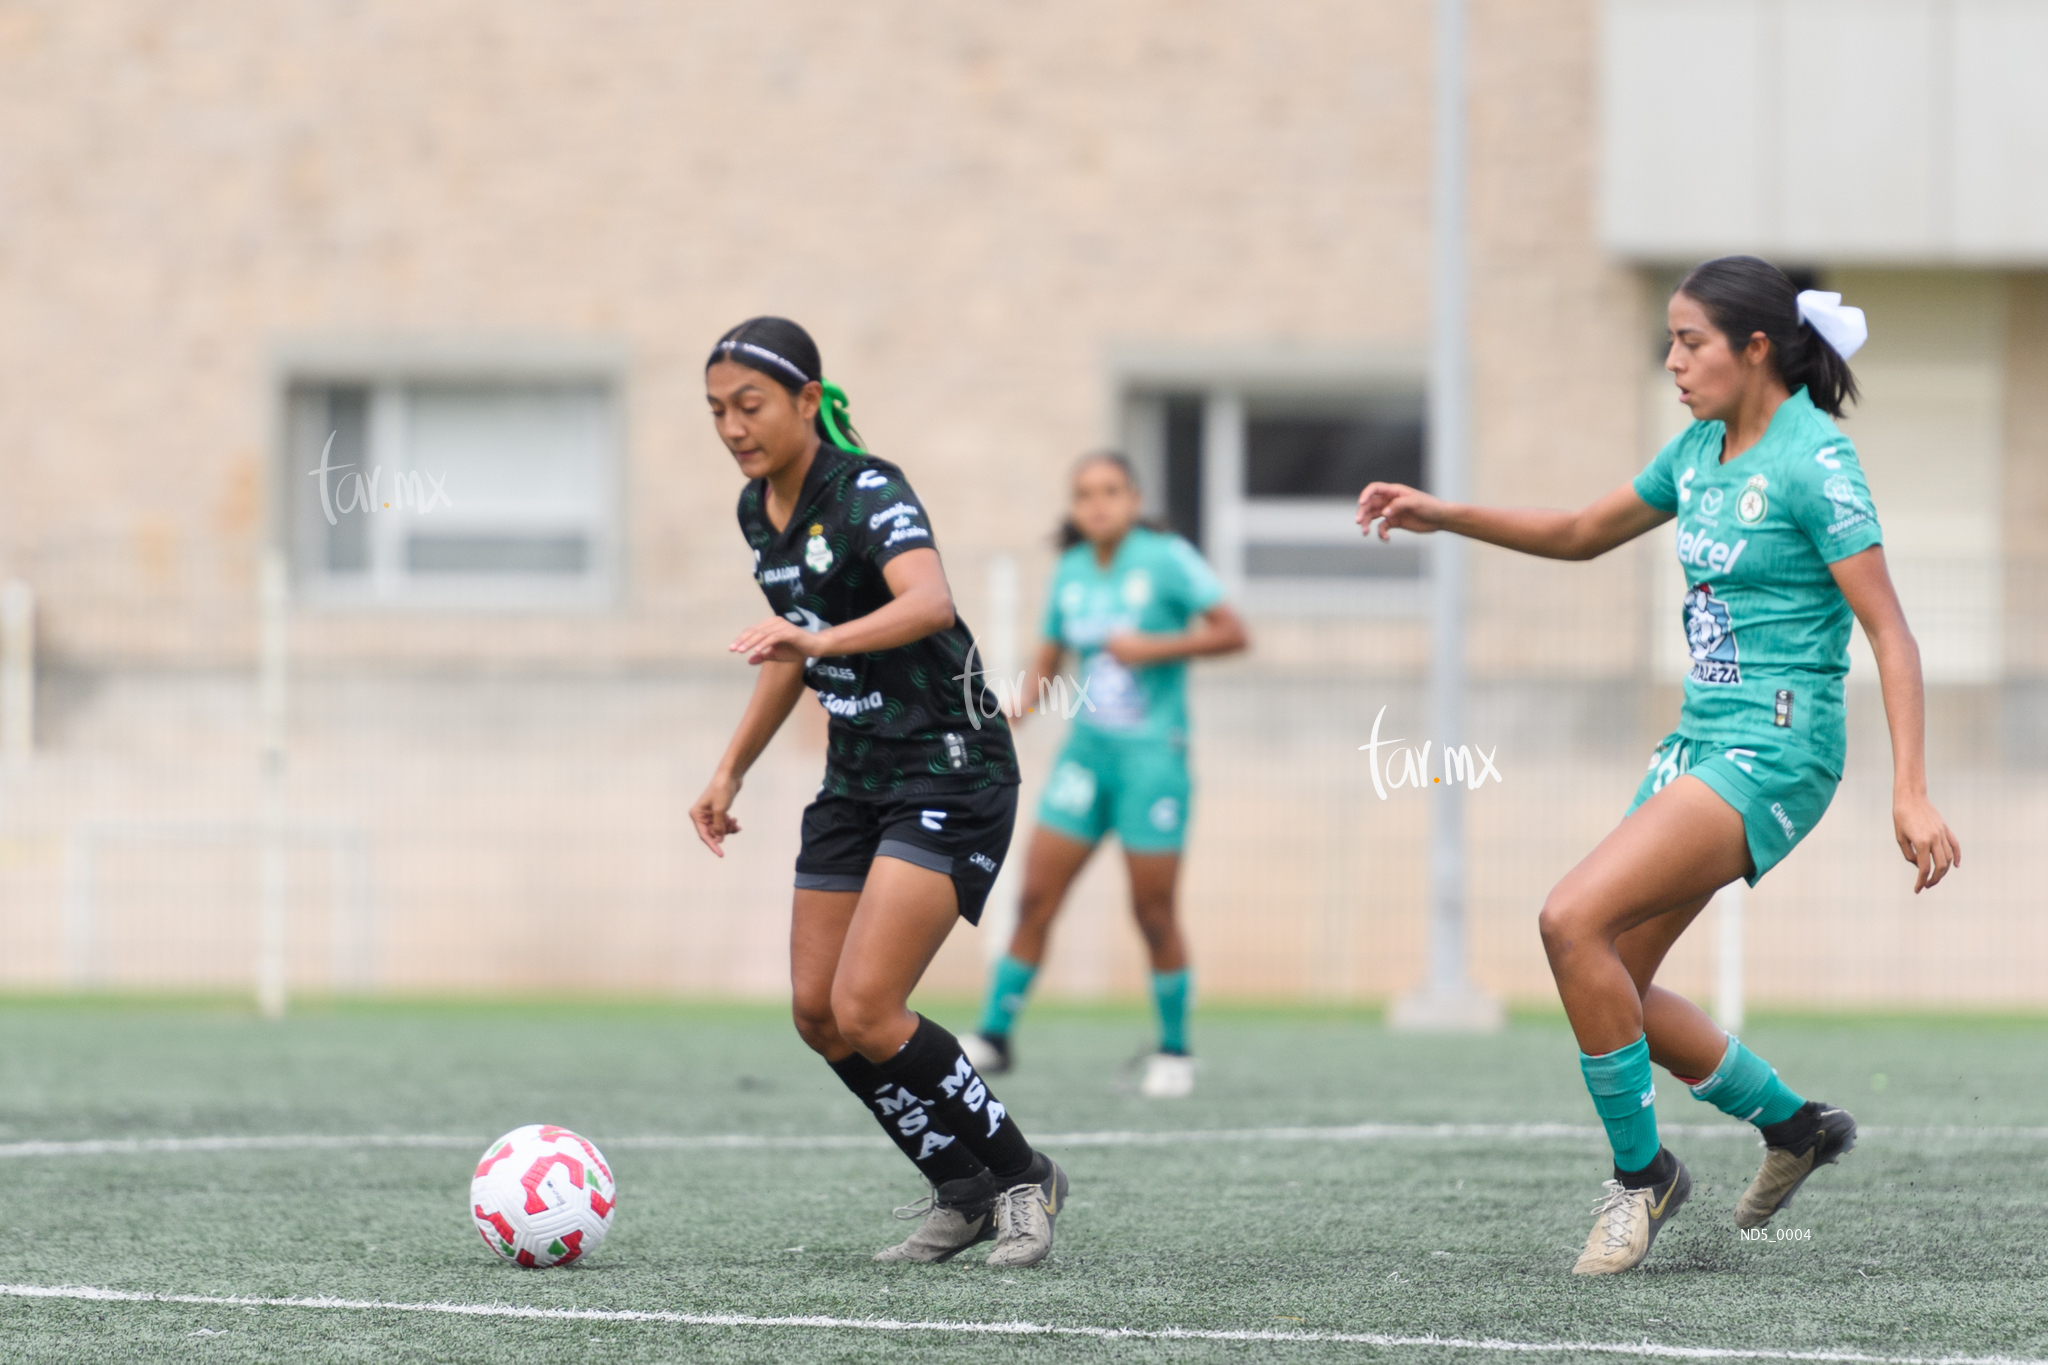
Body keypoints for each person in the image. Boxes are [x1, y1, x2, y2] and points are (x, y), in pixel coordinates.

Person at [1356, 257, 1960, 1276]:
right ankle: (1796, 1126)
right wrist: (1444, 514)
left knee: (1565, 919)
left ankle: (1643, 1180)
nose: (1671, 359)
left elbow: (1889, 633)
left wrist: (1908, 788)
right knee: (1613, 984)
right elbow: (1584, 533)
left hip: (1775, 748)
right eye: (1668, 340)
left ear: (1754, 348)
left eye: (1689, 340)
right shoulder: (1695, 451)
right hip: (1697, 741)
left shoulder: (1815, 462)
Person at [690, 317, 1068, 1267]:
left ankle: (1027, 1177)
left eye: (751, 405)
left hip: (950, 764)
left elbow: (928, 602)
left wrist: (816, 642)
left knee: (868, 1006)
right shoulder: (755, 509)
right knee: (818, 1014)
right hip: (858, 779)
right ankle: (963, 1188)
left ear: (808, 401)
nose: (735, 426)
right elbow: (792, 643)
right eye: (717, 410)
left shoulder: (866, 491)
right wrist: (730, 765)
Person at [963, 453, 1247, 1098]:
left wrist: (1156, 647)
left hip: (1153, 762)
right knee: (1035, 897)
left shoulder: (1167, 558)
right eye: (1084, 494)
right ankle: (994, 1037)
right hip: (1085, 758)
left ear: (1134, 497)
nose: (1097, 504)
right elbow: (1048, 659)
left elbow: (1234, 633)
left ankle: (1176, 1050)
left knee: (1152, 911)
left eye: (1110, 492)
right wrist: (1013, 714)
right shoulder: (1069, 569)